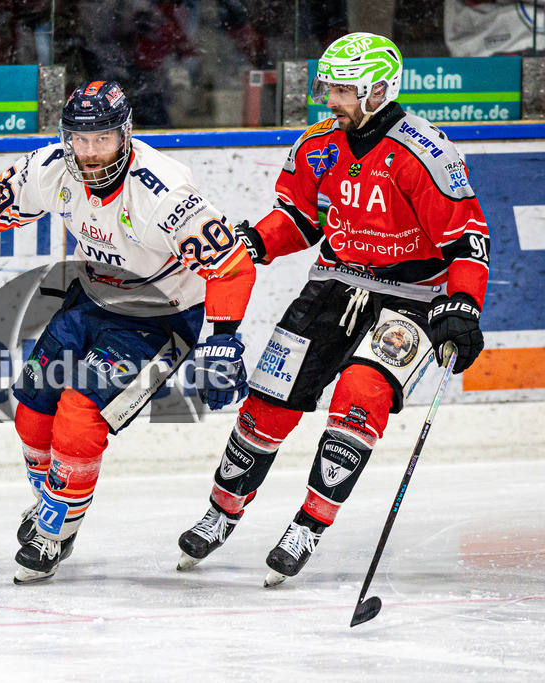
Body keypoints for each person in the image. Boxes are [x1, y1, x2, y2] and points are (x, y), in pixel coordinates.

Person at [0, 80, 257, 584]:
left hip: (161, 316)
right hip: (93, 299)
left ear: (124, 134)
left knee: (77, 421)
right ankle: (56, 505)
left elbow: (233, 266)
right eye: (80, 140)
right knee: (32, 416)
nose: (88, 153)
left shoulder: (163, 193)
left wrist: (222, 338)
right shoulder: (51, 167)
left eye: (102, 139)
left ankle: (56, 528)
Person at [176, 32, 490, 586]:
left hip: (411, 301)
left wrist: (462, 304)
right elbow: (300, 220)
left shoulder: (425, 153)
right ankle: (222, 511)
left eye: (344, 90)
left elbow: (466, 239)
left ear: (378, 91)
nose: (330, 100)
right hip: (330, 285)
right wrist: (254, 242)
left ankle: (309, 525)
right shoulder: (318, 143)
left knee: (359, 397)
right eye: (329, 87)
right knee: (270, 402)